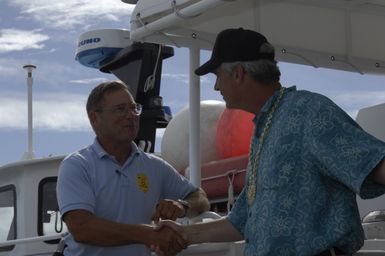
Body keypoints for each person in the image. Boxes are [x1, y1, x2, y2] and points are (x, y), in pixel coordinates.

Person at [154, 28, 385, 256]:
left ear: (238, 73)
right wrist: (185, 234)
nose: (216, 87)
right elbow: (240, 221)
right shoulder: (264, 130)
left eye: (217, 76)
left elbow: (377, 166)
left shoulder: (310, 112)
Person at [56, 80, 210, 256]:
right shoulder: (77, 165)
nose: (131, 115)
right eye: (120, 109)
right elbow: (82, 228)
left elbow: (200, 198)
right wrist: (147, 234)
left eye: (133, 108)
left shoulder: (154, 166)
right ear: (94, 118)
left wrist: (182, 205)